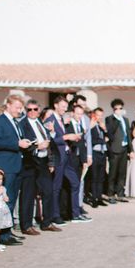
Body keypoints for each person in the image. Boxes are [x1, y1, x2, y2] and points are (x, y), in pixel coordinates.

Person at [46, 96, 89, 224]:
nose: (65, 109)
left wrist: (72, 137)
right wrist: (66, 137)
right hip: (57, 157)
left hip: (66, 156)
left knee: (75, 182)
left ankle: (76, 214)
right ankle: (55, 215)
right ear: (55, 105)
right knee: (57, 187)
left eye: (66, 107)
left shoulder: (62, 120)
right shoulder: (50, 120)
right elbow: (50, 140)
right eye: (63, 107)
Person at [0, 94, 32, 245]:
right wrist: (17, 143)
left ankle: (7, 232)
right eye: (17, 107)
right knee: (5, 201)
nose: (19, 110)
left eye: (20, 108)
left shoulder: (14, 122)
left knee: (11, 201)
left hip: (16, 165)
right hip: (6, 166)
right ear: (8, 105)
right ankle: (3, 236)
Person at [18, 99, 57, 234]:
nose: (33, 112)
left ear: (39, 110)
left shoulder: (41, 122)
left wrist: (51, 133)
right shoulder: (22, 124)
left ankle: (47, 222)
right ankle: (26, 225)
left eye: (35, 109)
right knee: (28, 195)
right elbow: (22, 144)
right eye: (29, 110)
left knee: (48, 191)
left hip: (43, 162)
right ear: (26, 110)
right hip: (29, 162)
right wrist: (37, 147)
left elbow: (47, 141)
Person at [105, 99, 133, 203]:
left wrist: (131, 150)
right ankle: (110, 194)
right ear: (113, 109)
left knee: (122, 173)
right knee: (113, 173)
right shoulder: (110, 119)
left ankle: (120, 193)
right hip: (114, 149)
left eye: (121, 108)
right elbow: (111, 132)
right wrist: (117, 118)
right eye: (116, 108)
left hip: (124, 148)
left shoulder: (125, 120)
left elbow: (128, 135)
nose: (119, 110)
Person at [89, 108, 108, 208]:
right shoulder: (91, 126)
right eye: (98, 115)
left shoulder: (101, 126)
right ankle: (94, 199)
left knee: (101, 177)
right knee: (94, 177)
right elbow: (91, 139)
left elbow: (109, 137)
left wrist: (104, 129)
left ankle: (99, 197)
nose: (99, 117)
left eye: (101, 115)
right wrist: (102, 141)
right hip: (94, 152)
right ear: (93, 115)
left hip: (102, 152)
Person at [0, 170, 13, 251]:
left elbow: (5, 196)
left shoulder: (3, 188)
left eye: (0, 179)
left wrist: (6, 198)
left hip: (1, 210)